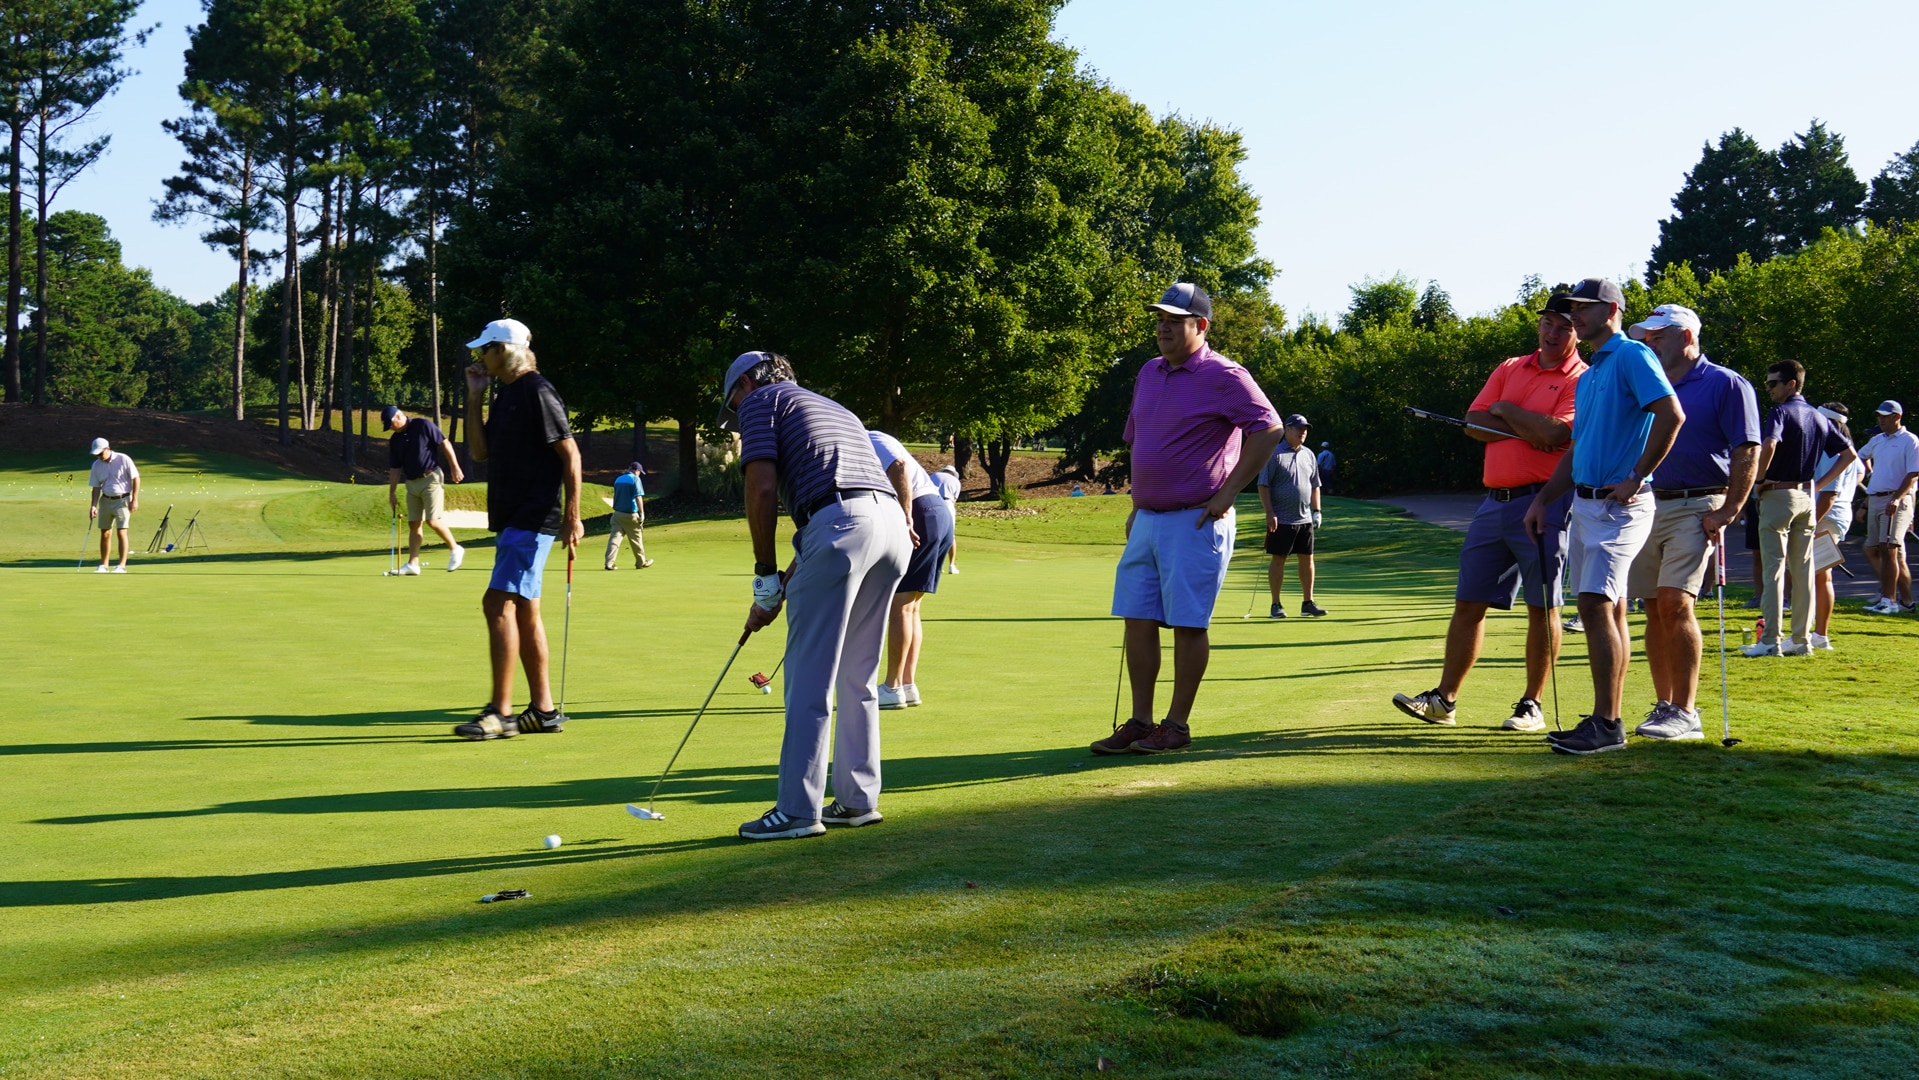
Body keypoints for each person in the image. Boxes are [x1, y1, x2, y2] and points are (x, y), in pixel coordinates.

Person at [723, 351, 909, 840]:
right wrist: (778, 589)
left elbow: (761, 488)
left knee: (809, 679)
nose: (737, 415)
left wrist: (764, 575)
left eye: (733, 404)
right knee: (857, 676)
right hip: (890, 528)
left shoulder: (761, 400)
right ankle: (858, 800)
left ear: (746, 384)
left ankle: (798, 811)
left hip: (841, 525)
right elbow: (826, 527)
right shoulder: (833, 407)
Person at [1091, 282, 1282, 756]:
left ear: (1201, 325)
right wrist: (1135, 505)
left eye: (1174, 321)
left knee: (1187, 624)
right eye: (1160, 320)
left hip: (1196, 519)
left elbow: (1269, 428)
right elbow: (1140, 441)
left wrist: (1229, 491)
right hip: (1148, 517)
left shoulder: (1225, 375)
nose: (1163, 328)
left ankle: (1176, 726)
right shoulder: (1148, 371)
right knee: (1137, 618)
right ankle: (1140, 722)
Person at [1393, 292, 1584, 731]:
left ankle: (1531, 705)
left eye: (1565, 327)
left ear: (1578, 332)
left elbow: (1556, 434)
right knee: (1468, 602)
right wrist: (1527, 426)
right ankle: (1444, 701)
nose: (1553, 333)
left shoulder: (1581, 377)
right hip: (1493, 501)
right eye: (1548, 323)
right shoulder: (1510, 367)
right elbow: (1474, 424)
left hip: (1545, 502)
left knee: (1543, 606)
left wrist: (1506, 410)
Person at [1522, 278, 1685, 756]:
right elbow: (1578, 449)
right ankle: (1604, 719)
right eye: (1572, 307)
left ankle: (1607, 725)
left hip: (1621, 505)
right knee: (1606, 608)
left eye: (1584, 307)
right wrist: (1543, 500)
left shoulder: (1633, 355)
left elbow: (1672, 415)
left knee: (1594, 604)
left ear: (1611, 310)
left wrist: (1637, 476)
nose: (1575, 315)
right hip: (1587, 504)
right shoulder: (1593, 369)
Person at [1621, 305, 1760, 740]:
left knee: (1674, 601)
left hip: (1699, 504)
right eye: (1647, 337)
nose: (1650, 343)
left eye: (1658, 335)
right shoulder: (1650, 383)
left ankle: (1685, 711)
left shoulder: (1726, 382)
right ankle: (1665, 706)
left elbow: (1747, 448)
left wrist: (1730, 509)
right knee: (1651, 606)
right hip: (1648, 503)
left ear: (1685, 336)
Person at [451, 319, 584, 741]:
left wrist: (573, 516)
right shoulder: (507, 395)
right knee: (525, 610)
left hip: (532, 517)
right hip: (512, 518)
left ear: (504, 350)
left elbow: (570, 454)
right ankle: (543, 711)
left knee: (496, 604)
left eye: (485, 349)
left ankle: (501, 714)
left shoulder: (537, 391)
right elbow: (479, 451)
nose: (480, 357)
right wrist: (475, 396)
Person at [1742, 360, 1858, 656]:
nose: (1769, 389)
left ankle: (1770, 640)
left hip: (1778, 494)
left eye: (1773, 383)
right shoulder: (1818, 416)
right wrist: (1817, 486)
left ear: (1791, 383)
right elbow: (1849, 455)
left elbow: (1769, 445)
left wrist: (1759, 480)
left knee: (1774, 569)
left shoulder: (1780, 412)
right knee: (1804, 571)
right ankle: (1802, 640)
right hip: (1806, 497)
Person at [869, 429, 955, 709]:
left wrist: (906, 518)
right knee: (912, 608)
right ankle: (907, 685)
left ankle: (893, 687)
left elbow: (899, 466)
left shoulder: (870, 438)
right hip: (936, 513)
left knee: (901, 607)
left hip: (920, 512)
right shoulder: (873, 438)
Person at [1257, 413, 1327, 619]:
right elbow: (1263, 485)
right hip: (1281, 518)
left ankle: (1308, 603)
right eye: (1298, 428)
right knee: (1279, 558)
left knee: (1307, 558)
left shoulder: (1309, 454)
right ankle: (1275, 604)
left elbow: (1315, 485)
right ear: (1287, 430)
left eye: (1305, 429)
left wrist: (1317, 511)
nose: (1302, 432)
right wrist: (1269, 512)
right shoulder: (1274, 454)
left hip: (1305, 518)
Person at [384, 405, 467, 575]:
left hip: (431, 479)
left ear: (398, 417)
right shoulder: (395, 440)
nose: (390, 428)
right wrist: (392, 492)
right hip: (411, 483)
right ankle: (413, 564)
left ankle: (455, 549)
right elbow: (395, 468)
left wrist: (455, 467)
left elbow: (444, 443)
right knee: (414, 523)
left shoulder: (422, 425)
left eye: (391, 424)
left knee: (432, 520)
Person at [1811, 403, 1866, 647]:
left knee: (1821, 575)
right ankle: (1814, 633)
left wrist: (1810, 523)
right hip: (1836, 515)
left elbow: (1829, 494)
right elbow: (1861, 471)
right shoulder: (1846, 446)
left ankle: (1820, 635)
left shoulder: (1829, 450)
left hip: (1826, 515)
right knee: (1817, 575)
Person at [1858, 400, 1918, 615]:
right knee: (1880, 549)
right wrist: (1870, 472)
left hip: (1897, 499)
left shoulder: (1910, 440)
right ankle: (1904, 602)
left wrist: (1896, 498)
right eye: (1879, 416)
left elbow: (1914, 473)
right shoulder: (1878, 440)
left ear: (1897, 417)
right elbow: (1859, 457)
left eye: (1885, 416)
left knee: (1889, 548)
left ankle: (1889, 601)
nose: (1881, 420)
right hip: (1876, 497)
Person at [87, 437, 140, 573]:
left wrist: (135, 499)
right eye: (96, 454)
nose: (99, 456)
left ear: (108, 449)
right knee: (105, 533)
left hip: (123, 500)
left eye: (100, 453)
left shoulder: (123, 459)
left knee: (121, 532)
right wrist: (93, 506)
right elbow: (96, 487)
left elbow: (136, 478)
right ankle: (104, 565)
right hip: (105, 500)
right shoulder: (96, 465)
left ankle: (121, 566)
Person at [605, 461, 654, 570]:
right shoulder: (635, 479)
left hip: (617, 515)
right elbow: (638, 497)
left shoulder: (618, 479)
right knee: (636, 539)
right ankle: (641, 562)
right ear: (636, 471)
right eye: (639, 472)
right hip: (630, 515)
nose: (639, 474)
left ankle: (609, 563)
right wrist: (642, 513)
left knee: (614, 540)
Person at [932, 463, 961, 574]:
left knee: (932, 534)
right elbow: (954, 500)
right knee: (950, 535)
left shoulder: (934, 475)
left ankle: (933, 565)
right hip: (948, 503)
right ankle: (951, 565)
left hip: (932, 502)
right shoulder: (956, 481)